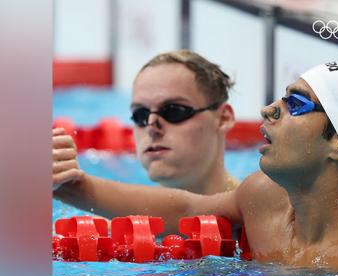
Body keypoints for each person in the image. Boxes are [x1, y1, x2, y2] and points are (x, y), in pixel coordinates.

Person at [53, 62, 338, 268]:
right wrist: (69, 182)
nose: (268, 109)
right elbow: (186, 209)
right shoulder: (263, 199)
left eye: (295, 104)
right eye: (281, 99)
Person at [53, 50, 239, 195]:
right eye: (140, 114)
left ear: (223, 118)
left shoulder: (258, 210)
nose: (151, 127)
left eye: (174, 111)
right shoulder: (120, 226)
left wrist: (69, 186)